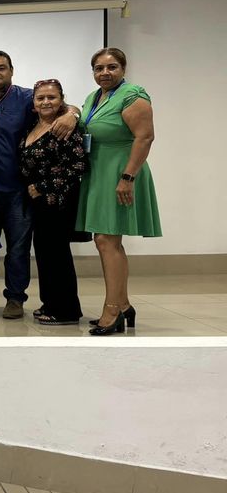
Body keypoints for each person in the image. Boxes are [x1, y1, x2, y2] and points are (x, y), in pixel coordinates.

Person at [0, 50, 79, 319]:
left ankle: (15, 298)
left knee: (18, 248)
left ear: (11, 71)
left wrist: (73, 114)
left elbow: (65, 107)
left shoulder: (28, 98)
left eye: (1, 68)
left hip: (17, 189)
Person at [76, 48, 161, 336]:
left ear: (123, 68)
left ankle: (112, 310)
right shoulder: (94, 97)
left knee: (106, 240)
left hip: (121, 171)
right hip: (98, 172)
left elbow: (145, 137)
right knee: (107, 240)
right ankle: (123, 305)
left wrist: (127, 177)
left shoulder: (133, 95)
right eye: (99, 68)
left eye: (111, 67)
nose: (105, 73)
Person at [19, 79, 89, 325]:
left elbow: (78, 166)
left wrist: (41, 187)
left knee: (58, 256)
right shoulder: (33, 125)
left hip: (58, 201)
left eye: (52, 97)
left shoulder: (65, 127)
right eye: (41, 98)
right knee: (44, 253)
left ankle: (66, 310)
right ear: (34, 103)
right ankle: (50, 303)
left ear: (61, 100)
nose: (46, 102)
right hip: (38, 204)